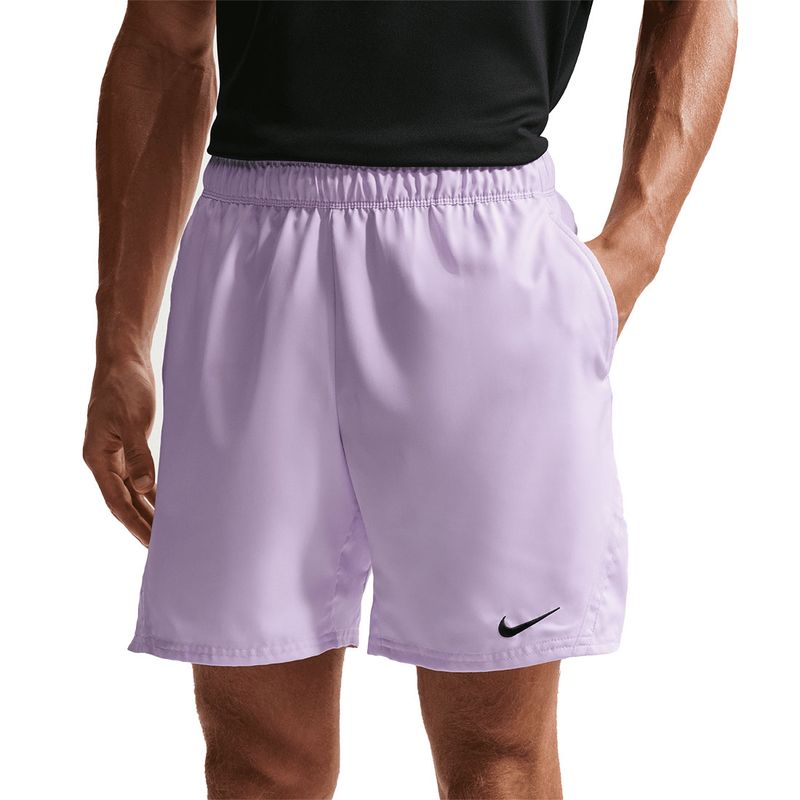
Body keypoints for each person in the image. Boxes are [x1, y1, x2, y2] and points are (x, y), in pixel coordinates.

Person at [83, 2, 737, 797]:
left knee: (497, 758)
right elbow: (165, 40)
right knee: (258, 762)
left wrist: (638, 244)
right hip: (254, 255)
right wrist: (121, 341)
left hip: (485, 250)